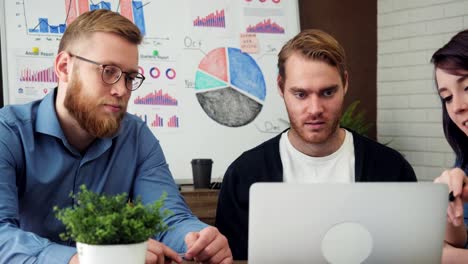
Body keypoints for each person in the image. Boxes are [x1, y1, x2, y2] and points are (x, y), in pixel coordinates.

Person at [0, 10, 232, 264]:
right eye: (108, 71)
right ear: (64, 67)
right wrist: (84, 260)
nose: (121, 90)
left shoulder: (136, 137)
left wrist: (196, 238)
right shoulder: (8, 132)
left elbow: (169, 220)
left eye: (130, 77)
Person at [215, 29, 417, 260]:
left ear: (346, 83)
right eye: (300, 94)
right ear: (281, 88)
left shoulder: (391, 168)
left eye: (328, 92)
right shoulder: (245, 174)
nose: (315, 109)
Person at [431, 29, 468, 263]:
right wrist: (446, 203)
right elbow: (456, 243)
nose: (457, 107)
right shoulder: (464, 164)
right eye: (447, 98)